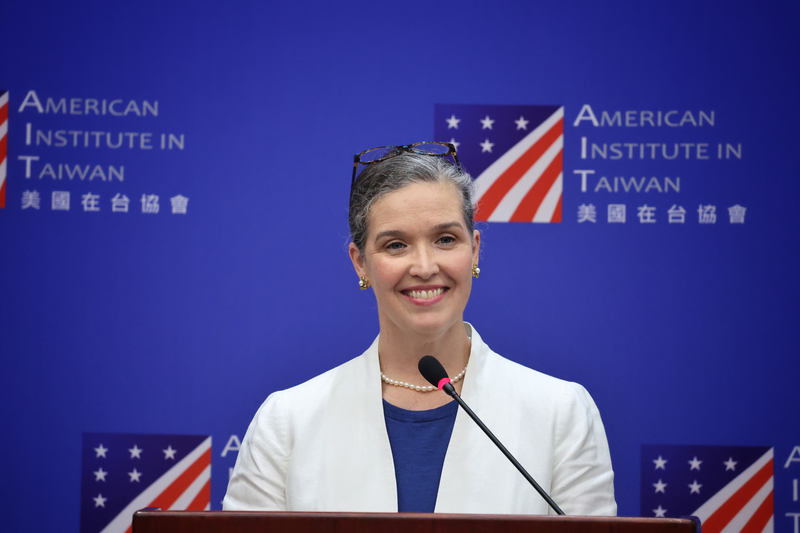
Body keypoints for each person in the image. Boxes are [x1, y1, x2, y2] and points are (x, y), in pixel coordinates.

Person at [223, 142, 616, 515]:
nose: (425, 266)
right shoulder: (287, 421)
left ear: (475, 250)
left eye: (446, 239)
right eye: (396, 245)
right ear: (360, 263)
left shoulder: (561, 413)